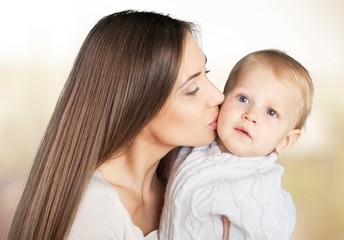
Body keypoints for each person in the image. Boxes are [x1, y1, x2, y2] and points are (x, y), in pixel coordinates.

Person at [8, 10, 225, 240]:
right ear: (139, 104)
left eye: (206, 74)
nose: (218, 96)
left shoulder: (187, 181)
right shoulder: (94, 209)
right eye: (192, 90)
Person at [159, 49, 314, 240]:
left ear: (285, 141)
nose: (251, 115)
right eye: (243, 99)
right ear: (222, 99)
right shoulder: (194, 143)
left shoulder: (261, 194)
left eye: (271, 112)